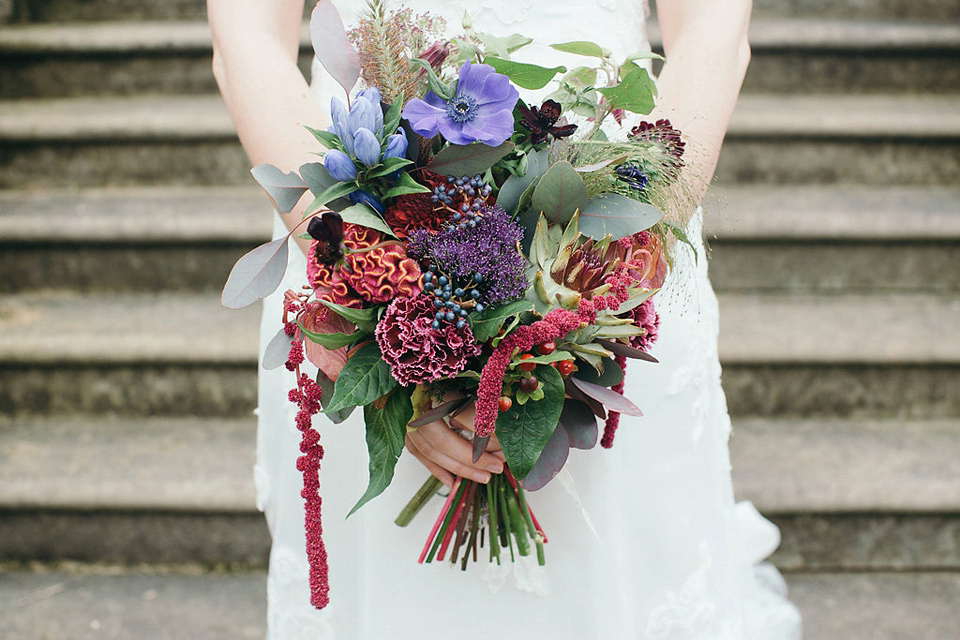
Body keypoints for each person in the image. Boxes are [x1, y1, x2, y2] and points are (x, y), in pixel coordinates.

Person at [209, 0, 803, 637]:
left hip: (608, 223)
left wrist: (608, 272)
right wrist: (392, 312)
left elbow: (714, 29)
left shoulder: (611, 258)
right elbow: (248, 36)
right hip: (360, 206)